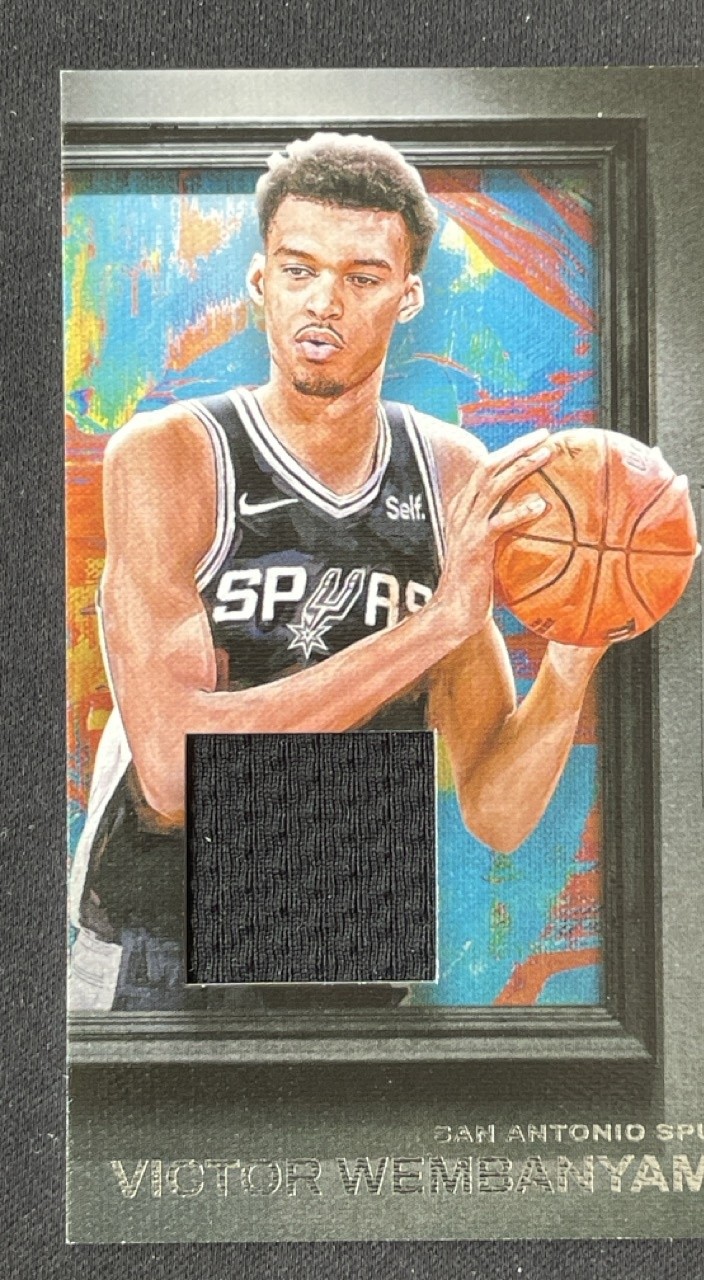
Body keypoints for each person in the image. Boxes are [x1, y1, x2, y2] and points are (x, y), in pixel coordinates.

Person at [68, 132, 607, 1012]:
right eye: (299, 270)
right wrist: (435, 626)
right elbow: (171, 769)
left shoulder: (450, 472)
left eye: (362, 277)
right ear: (259, 281)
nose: (324, 301)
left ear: (408, 295)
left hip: (347, 912)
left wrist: (578, 650)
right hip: (165, 925)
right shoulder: (172, 456)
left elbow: (498, 811)